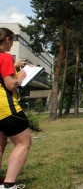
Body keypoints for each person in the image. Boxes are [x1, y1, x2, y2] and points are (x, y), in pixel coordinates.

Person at [0, 28, 32, 189]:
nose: (12, 44)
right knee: (23, 142)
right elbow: (10, 84)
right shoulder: (4, 57)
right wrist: (21, 76)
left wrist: (13, 66)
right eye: (12, 40)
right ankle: (8, 184)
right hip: (6, 108)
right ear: (6, 39)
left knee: (0, 145)